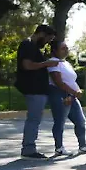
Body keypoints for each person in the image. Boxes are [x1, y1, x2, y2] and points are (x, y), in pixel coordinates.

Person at [15, 24, 60, 158]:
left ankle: (29, 147)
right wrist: (46, 64)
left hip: (39, 89)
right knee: (33, 119)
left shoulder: (33, 47)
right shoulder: (27, 45)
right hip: (33, 88)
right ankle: (29, 148)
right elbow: (27, 65)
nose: (47, 42)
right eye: (48, 39)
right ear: (41, 34)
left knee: (35, 119)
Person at [46, 42, 86, 156]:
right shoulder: (53, 62)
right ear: (54, 50)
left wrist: (76, 91)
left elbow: (70, 80)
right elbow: (58, 82)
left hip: (72, 96)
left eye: (67, 48)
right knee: (60, 122)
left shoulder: (66, 63)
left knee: (80, 121)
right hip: (59, 94)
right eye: (63, 48)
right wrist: (73, 92)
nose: (66, 50)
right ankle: (59, 148)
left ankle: (83, 146)